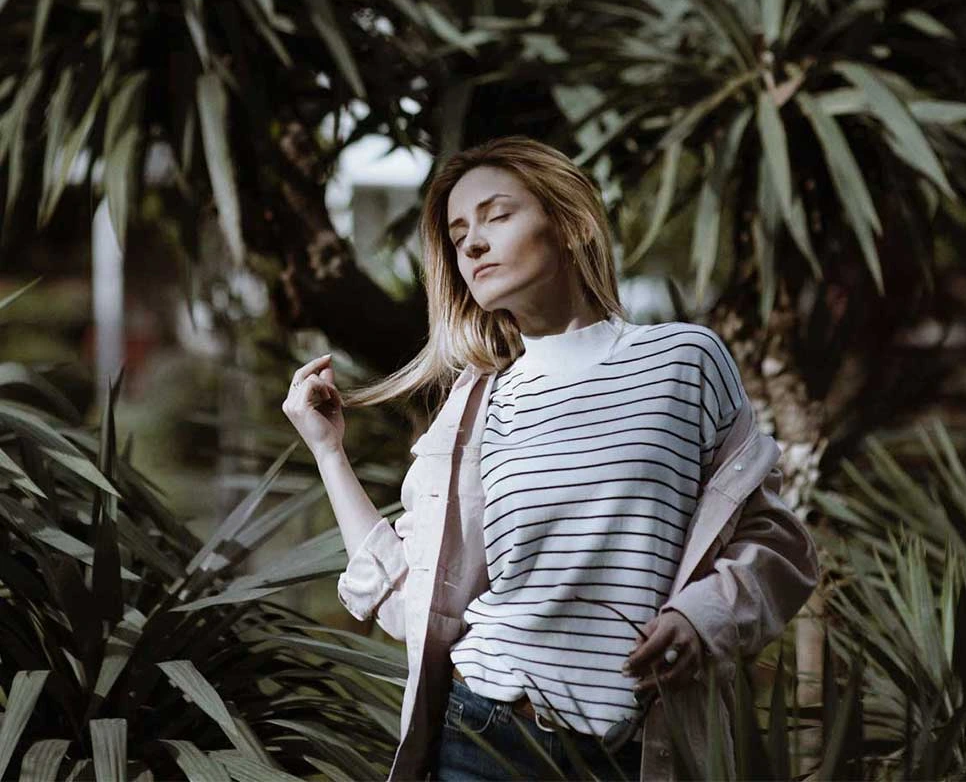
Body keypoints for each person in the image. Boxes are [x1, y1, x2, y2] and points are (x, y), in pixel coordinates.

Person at [282, 135, 820, 782]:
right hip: (484, 738)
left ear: (571, 226)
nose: (472, 245)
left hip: (634, 752)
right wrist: (328, 452)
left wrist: (702, 615)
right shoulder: (477, 407)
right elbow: (410, 603)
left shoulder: (683, 361)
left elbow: (778, 540)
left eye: (496, 216)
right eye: (458, 235)